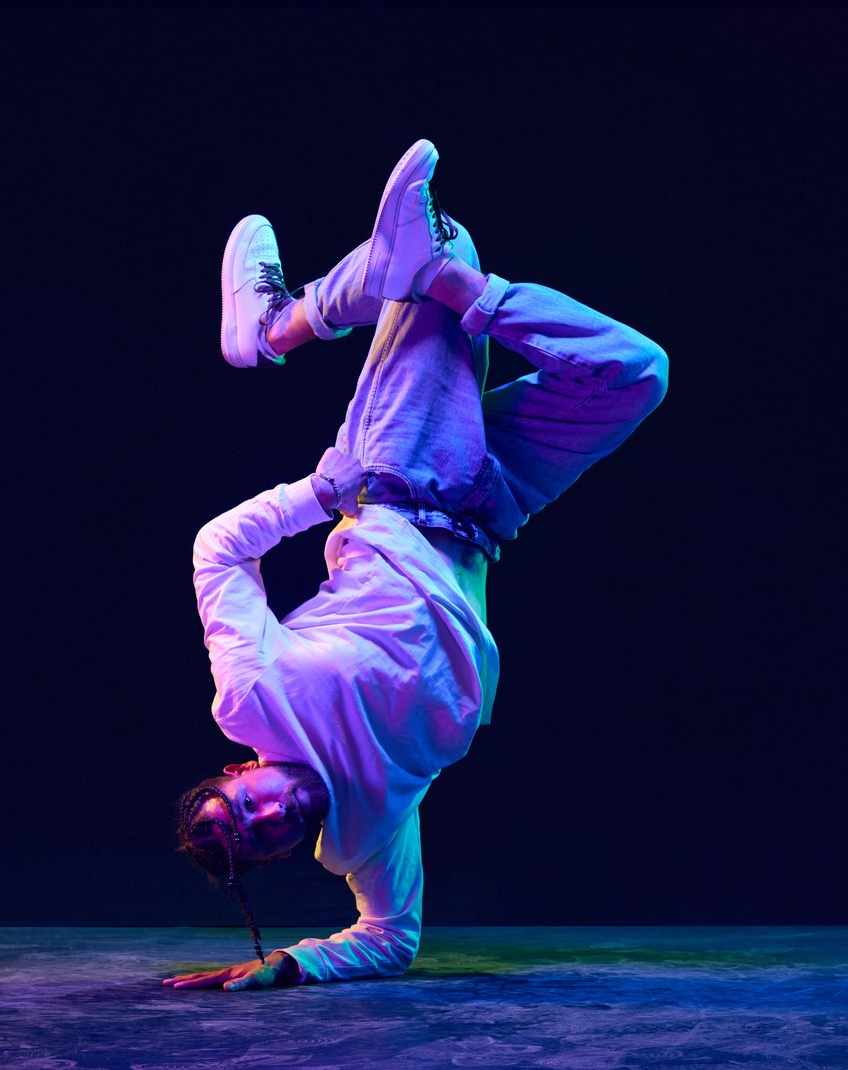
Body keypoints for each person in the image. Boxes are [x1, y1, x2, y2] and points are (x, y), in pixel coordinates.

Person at [162, 140, 668, 991]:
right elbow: (389, 938)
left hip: (399, 476)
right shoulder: (365, 828)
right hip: (488, 507)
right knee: (630, 374)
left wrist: (319, 494)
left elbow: (218, 548)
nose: (276, 813)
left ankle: (276, 326)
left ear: (241, 772)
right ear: (283, 850)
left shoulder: (254, 696)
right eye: (268, 835)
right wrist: (287, 964)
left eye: (250, 804)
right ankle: (282, 321)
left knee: (438, 249)